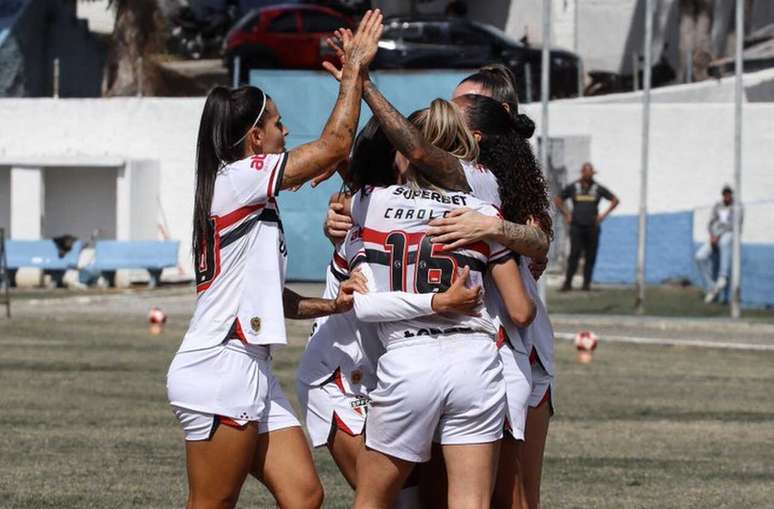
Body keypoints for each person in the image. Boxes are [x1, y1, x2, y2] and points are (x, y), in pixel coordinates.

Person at [165, 10, 383, 509]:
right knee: (212, 503)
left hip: (251, 368)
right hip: (221, 365)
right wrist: (352, 72)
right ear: (255, 141)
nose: (286, 132)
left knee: (305, 496)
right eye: (278, 124)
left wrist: (333, 306)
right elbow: (334, 146)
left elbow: (273, 299)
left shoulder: (250, 198)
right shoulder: (238, 177)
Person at [340, 106, 536, 509]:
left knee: (373, 500)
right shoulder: (482, 212)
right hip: (474, 362)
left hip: (408, 359)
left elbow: (346, 194)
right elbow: (520, 310)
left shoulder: (371, 202)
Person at [296, 117, 483, 492]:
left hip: (401, 375)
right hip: (343, 378)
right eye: (413, 147)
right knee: (389, 499)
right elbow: (368, 304)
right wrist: (441, 301)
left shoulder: (417, 207)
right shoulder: (364, 212)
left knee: (427, 496)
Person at [554, 162, 619, 292]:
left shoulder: (598, 188)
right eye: (586, 172)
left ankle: (586, 284)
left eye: (591, 173)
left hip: (593, 227)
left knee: (591, 256)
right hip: (577, 226)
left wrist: (602, 216)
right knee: (574, 255)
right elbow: (558, 199)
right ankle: (568, 283)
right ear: (582, 173)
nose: (588, 175)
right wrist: (567, 215)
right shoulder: (574, 187)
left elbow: (615, 200)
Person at [695, 185, 742, 303]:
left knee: (724, 242)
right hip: (715, 235)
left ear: (732, 194)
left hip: (729, 233)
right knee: (699, 256)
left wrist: (718, 236)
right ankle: (712, 287)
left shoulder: (737, 207)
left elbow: (735, 224)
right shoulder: (718, 206)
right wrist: (712, 235)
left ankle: (723, 277)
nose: (726, 196)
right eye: (724, 194)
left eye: (729, 194)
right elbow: (711, 222)